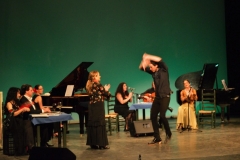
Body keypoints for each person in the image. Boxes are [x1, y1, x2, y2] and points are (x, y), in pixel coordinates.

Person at [139, 53, 172, 144]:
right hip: (157, 98)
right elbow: (141, 67)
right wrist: (144, 61)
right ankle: (157, 137)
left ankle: (168, 132)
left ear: (156, 65)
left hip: (165, 96)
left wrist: (148, 56)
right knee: (153, 116)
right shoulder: (153, 73)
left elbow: (159, 59)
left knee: (162, 116)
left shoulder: (164, 70)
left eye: (151, 66)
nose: (150, 68)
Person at [20, 84, 51, 150]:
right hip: (28, 120)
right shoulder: (23, 99)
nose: (33, 91)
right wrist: (42, 111)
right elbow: (30, 111)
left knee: (47, 125)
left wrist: (43, 110)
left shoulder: (30, 99)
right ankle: (34, 147)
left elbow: (34, 110)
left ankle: (43, 144)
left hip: (34, 119)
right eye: (31, 90)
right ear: (26, 91)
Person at [86, 71, 111, 149]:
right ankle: (101, 144)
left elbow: (100, 94)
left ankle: (93, 143)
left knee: (94, 123)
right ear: (94, 77)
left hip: (92, 106)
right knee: (100, 123)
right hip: (98, 106)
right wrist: (106, 89)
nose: (100, 76)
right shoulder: (98, 85)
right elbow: (106, 94)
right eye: (98, 75)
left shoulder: (90, 85)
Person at [3, 87, 30, 156]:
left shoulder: (17, 102)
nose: (19, 94)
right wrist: (22, 109)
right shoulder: (9, 103)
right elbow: (13, 113)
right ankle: (17, 151)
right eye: (18, 93)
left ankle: (22, 150)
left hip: (19, 121)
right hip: (13, 123)